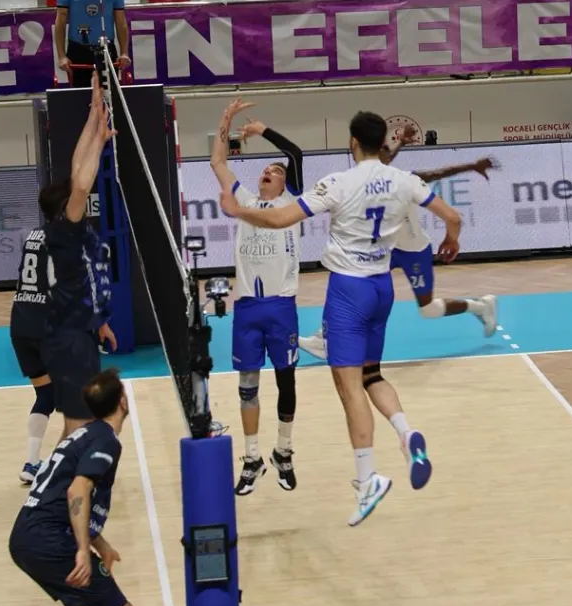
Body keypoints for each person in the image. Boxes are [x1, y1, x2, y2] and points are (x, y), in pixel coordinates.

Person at [219, 110, 462, 526]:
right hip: (382, 288)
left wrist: (238, 211)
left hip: (348, 292)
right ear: (381, 142)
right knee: (371, 375)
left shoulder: (338, 183)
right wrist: (451, 241)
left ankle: (368, 480)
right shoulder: (403, 180)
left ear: (352, 142)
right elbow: (452, 217)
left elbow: (279, 218)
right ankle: (406, 434)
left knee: (349, 389)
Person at [298, 125, 498, 361]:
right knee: (351, 283)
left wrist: (472, 166)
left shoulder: (405, 179)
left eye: (386, 153)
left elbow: (440, 173)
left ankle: (480, 306)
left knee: (428, 309)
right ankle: (324, 338)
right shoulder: (362, 182)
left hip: (414, 251)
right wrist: (401, 142)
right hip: (386, 250)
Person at [9, 369, 138, 606]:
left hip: (26, 535)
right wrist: (83, 549)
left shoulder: (83, 434)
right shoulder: (106, 441)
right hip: (51, 539)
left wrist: (101, 544)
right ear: (122, 401)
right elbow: (76, 490)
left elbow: (62, 494)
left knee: (91, 605)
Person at [209, 98, 305, 496]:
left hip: (281, 306)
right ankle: (252, 459)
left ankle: (283, 451)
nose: (269, 171)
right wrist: (226, 120)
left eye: (276, 171)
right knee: (247, 386)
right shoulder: (245, 200)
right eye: (266, 169)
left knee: (286, 381)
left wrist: (262, 130)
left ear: (285, 183)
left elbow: (294, 153)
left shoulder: (292, 203)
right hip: (247, 306)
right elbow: (218, 163)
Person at [39, 74, 118, 439]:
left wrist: (93, 116)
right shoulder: (66, 229)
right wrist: (100, 142)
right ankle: (58, 474)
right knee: (78, 424)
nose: (78, 197)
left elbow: (76, 171)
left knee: (83, 420)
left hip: (80, 333)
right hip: (68, 339)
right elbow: (82, 183)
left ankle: (64, 469)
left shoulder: (72, 230)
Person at [12, 226, 57, 484]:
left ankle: (32, 463)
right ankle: (75, 464)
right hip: (45, 327)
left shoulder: (33, 235)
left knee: (46, 395)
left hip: (20, 324)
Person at [55, 0, 129, 88]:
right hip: (78, 50)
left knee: (109, 93)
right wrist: (61, 56)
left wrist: (124, 53)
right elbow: (61, 20)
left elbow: (121, 22)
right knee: (80, 93)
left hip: (106, 50)